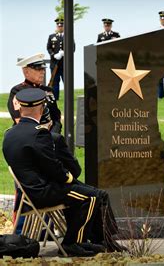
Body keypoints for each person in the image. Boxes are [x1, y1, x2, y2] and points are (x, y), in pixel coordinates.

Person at [2, 89, 102, 256]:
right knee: (91, 196)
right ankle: (73, 242)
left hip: (28, 193)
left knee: (81, 194)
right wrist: (68, 177)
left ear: (20, 108)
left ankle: (77, 241)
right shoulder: (39, 133)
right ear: (41, 108)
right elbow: (53, 167)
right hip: (42, 193)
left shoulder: (9, 134)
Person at [38, 108, 123, 252]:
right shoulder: (54, 139)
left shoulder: (26, 138)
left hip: (42, 187)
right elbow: (75, 170)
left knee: (97, 194)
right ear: (50, 123)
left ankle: (102, 240)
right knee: (97, 195)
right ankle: (100, 240)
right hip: (56, 187)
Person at [7, 53, 62, 133]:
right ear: (26, 72)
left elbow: (56, 117)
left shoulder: (48, 90)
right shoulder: (18, 91)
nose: (43, 72)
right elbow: (18, 119)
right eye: (38, 69)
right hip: (28, 136)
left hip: (49, 137)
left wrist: (53, 135)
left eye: (43, 69)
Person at [46, 18, 65, 100]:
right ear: (57, 26)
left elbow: (73, 48)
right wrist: (53, 55)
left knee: (66, 81)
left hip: (65, 64)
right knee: (55, 82)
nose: (60, 27)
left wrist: (64, 53)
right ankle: (55, 98)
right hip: (55, 63)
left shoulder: (68, 35)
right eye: (58, 25)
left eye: (61, 26)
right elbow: (48, 48)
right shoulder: (51, 36)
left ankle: (68, 96)